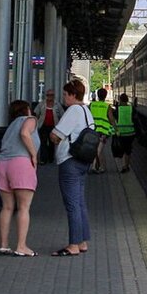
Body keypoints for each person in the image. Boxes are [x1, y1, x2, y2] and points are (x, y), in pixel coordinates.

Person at [50, 79, 92, 257]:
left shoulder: (73, 110)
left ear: (73, 95)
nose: (64, 97)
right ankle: (82, 241)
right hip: (84, 161)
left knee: (72, 204)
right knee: (80, 202)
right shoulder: (86, 111)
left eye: (66, 94)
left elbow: (56, 135)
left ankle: (73, 244)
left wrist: (53, 138)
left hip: (70, 161)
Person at [0, 99, 39, 257]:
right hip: (20, 163)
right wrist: (34, 155)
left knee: (6, 207)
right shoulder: (30, 120)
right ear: (27, 109)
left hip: (2, 164)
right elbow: (25, 133)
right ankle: (21, 246)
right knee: (23, 207)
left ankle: (4, 245)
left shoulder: (10, 126)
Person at [32, 90, 61, 165]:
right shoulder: (42, 104)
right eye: (48, 95)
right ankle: (43, 159)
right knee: (43, 142)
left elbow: (62, 114)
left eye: (51, 95)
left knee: (52, 143)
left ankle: (51, 158)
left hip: (53, 126)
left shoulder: (57, 104)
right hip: (43, 126)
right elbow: (36, 113)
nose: (50, 97)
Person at [109, 93, 136, 173]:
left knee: (122, 149)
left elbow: (113, 120)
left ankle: (123, 165)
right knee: (128, 150)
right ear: (127, 100)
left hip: (120, 133)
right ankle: (126, 166)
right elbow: (135, 120)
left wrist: (114, 130)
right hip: (130, 133)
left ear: (120, 100)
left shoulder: (118, 109)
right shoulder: (131, 109)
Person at [88, 87, 113, 173]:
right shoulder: (107, 106)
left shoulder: (92, 105)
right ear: (105, 96)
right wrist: (116, 129)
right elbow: (111, 119)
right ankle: (93, 166)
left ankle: (102, 166)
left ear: (97, 95)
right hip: (103, 131)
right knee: (98, 149)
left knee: (98, 149)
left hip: (93, 130)